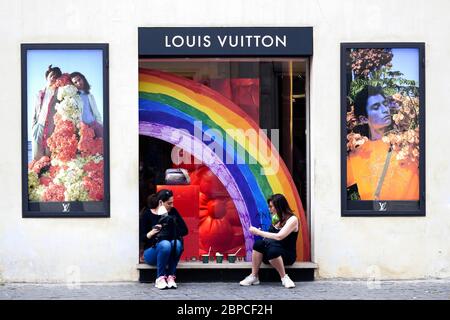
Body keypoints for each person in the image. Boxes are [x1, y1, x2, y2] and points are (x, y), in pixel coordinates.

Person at [347, 85, 419, 200]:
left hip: (414, 214)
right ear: (363, 119)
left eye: (385, 104)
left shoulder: (411, 140)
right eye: (376, 107)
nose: (384, 110)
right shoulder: (356, 154)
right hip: (377, 216)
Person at [239, 194, 298, 288]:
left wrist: (259, 232)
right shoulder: (276, 220)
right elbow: (269, 238)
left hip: (285, 255)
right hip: (272, 255)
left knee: (273, 250)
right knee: (259, 244)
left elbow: (279, 237)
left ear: (279, 206)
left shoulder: (292, 219)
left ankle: (284, 277)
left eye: (271, 206)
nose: (269, 209)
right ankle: (254, 276)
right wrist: (262, 237)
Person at [139, 189, 188, 289]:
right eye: (169, 203)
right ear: (161, 202)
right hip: (151, 252)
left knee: (177, 244)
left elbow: (185, 230)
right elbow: (142, 238)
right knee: (165, 244)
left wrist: (172, 227)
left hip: (170, 250)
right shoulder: (147, 214)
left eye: (172, 203)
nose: (172, 205)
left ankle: (170, 277)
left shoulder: (173, 212)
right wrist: (152, 232)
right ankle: (160, 278)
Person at [31, 65, 62, 160]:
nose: (53, 78)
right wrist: (34, 126)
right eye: (52, 75)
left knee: (50, 156)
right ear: (47, 77)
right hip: (39, 126)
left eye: (56, 76)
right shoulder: (39, 93)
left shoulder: (60, 92)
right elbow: (35, 112)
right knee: (37, 157)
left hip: (52, 128)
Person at [70, 72, 103, 137]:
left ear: (83, 79)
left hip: (95, 125)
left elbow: (96, 112)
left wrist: (99, 123)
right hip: (82, 128)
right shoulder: (74, 98)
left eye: (79, 80)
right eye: (75, 82)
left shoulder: (90, 95)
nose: (78, 83)